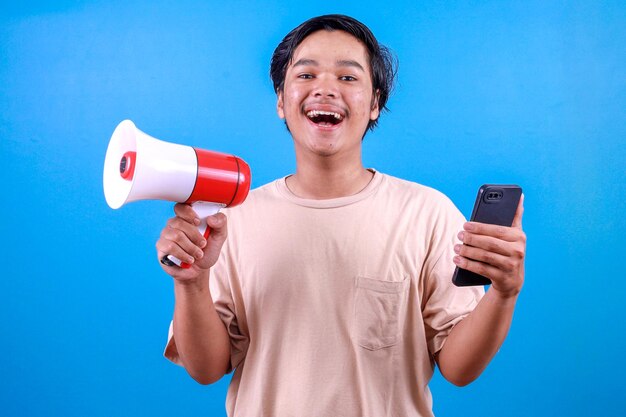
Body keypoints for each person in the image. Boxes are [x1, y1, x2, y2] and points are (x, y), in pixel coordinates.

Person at [157, 14, 526, 417]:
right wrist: (192, 283)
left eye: (348, 78)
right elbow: (207, 368)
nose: (325, 89)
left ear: (375, 104)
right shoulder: (233, 221)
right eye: (306, 75)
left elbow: (458, 368)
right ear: (281, 100)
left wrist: (504, 293)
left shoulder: (427, 214)